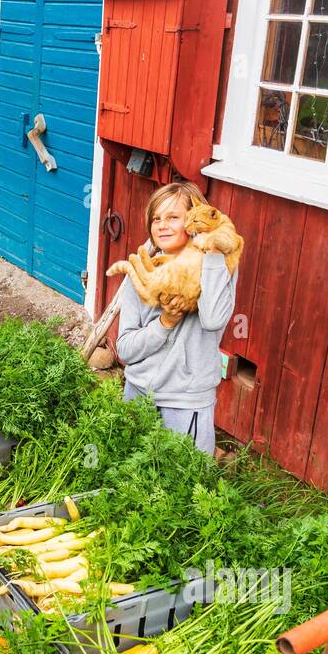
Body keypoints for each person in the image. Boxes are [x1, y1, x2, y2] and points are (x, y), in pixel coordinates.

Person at [115, 181, 238, 456]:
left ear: (195, 219)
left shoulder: (219, 265)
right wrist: (164, 324)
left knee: (180, 489)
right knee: (128, 483)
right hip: (138, 397)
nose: (162, 225)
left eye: (173, 217)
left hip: (185, 404)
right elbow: (124, 350)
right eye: (156, 218)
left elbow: (213, 320)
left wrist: (214, 251)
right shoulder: (144, 273)